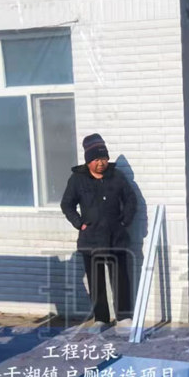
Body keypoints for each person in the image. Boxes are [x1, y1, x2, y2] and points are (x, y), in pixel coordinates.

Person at [60, 134, 136, 327]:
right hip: (91, 239)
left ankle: (124, 317)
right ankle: (101, 318)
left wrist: (124, 221)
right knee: (96, 281)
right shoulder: (77, 179)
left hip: (116, 238)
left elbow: (131, 200)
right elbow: (67, 204)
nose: (101, 163)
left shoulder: (117, 176)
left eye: (103, 158)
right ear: (88, 161)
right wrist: (79, 223)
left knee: (121, 279)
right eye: (96, 159)